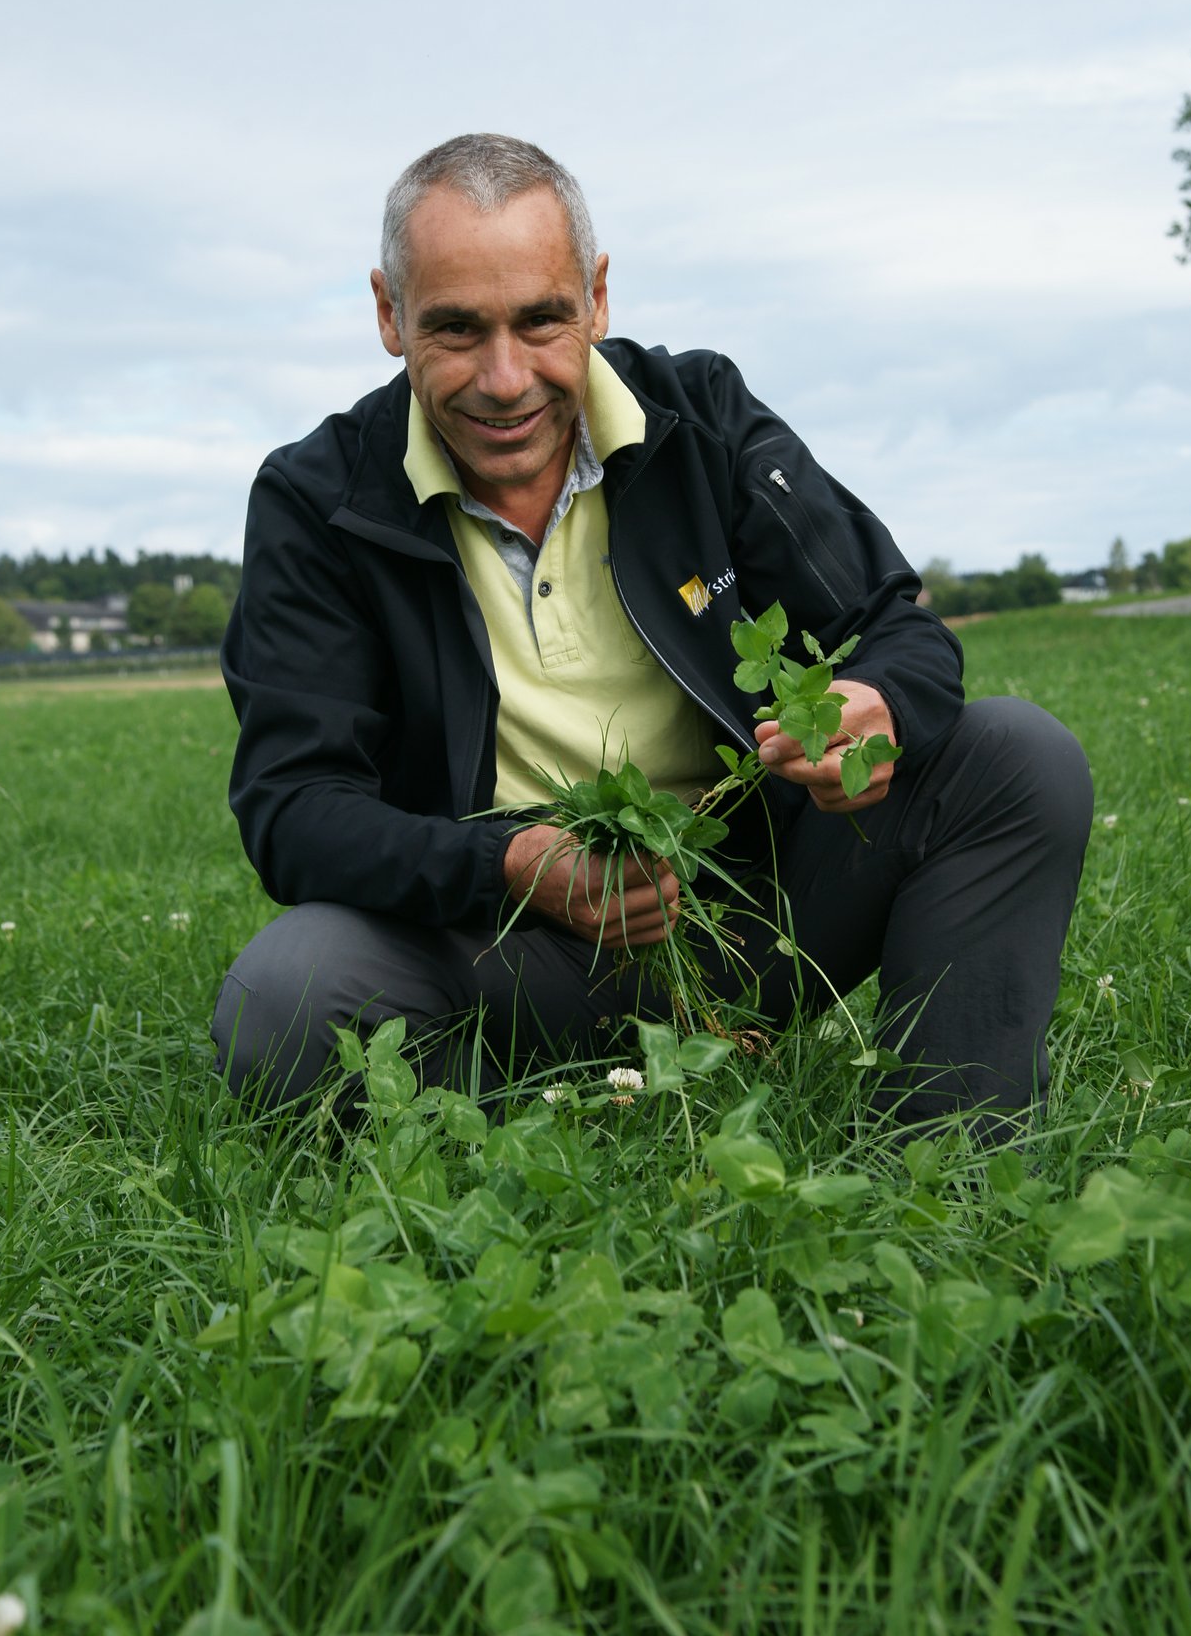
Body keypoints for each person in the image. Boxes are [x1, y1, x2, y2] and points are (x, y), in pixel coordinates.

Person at [213, 132, 1093, 1132]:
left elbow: (893, 626)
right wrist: (513, 866)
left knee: (1016, 757)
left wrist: (871, 703)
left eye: (540, 320)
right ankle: (530, 1122)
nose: (504, 378)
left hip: (751, 913)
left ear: (594, 297)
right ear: (388, 314)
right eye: (455, 330)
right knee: (284, 995)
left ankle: (951, 1155)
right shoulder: (317, 499)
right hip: (498, 939)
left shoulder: (698, 416)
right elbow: (294, 809)